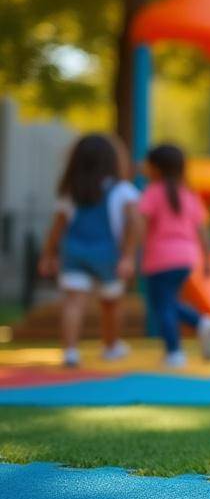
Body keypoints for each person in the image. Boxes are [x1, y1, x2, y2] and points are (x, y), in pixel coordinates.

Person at [38, 133, 141, 368]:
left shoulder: (72, 191)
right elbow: (135, 222)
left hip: (74, 253)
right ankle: (111, 345)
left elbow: (57, 227)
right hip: (107, 255)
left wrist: (48, 254)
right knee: (112, 302)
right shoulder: (122, 190)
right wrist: (128, 255)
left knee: (73, 302)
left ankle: (71, 351)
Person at [138, 144, 210, 368]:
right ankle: (201, 322)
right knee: (170, 302)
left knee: (162, 306)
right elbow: (202, 230)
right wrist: (208, 260)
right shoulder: (189, 195)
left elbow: (142, 224)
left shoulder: (153, 192)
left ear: (156, 168)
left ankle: (174, 351)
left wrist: (133, 250)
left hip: (160, 258)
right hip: (186, 257)